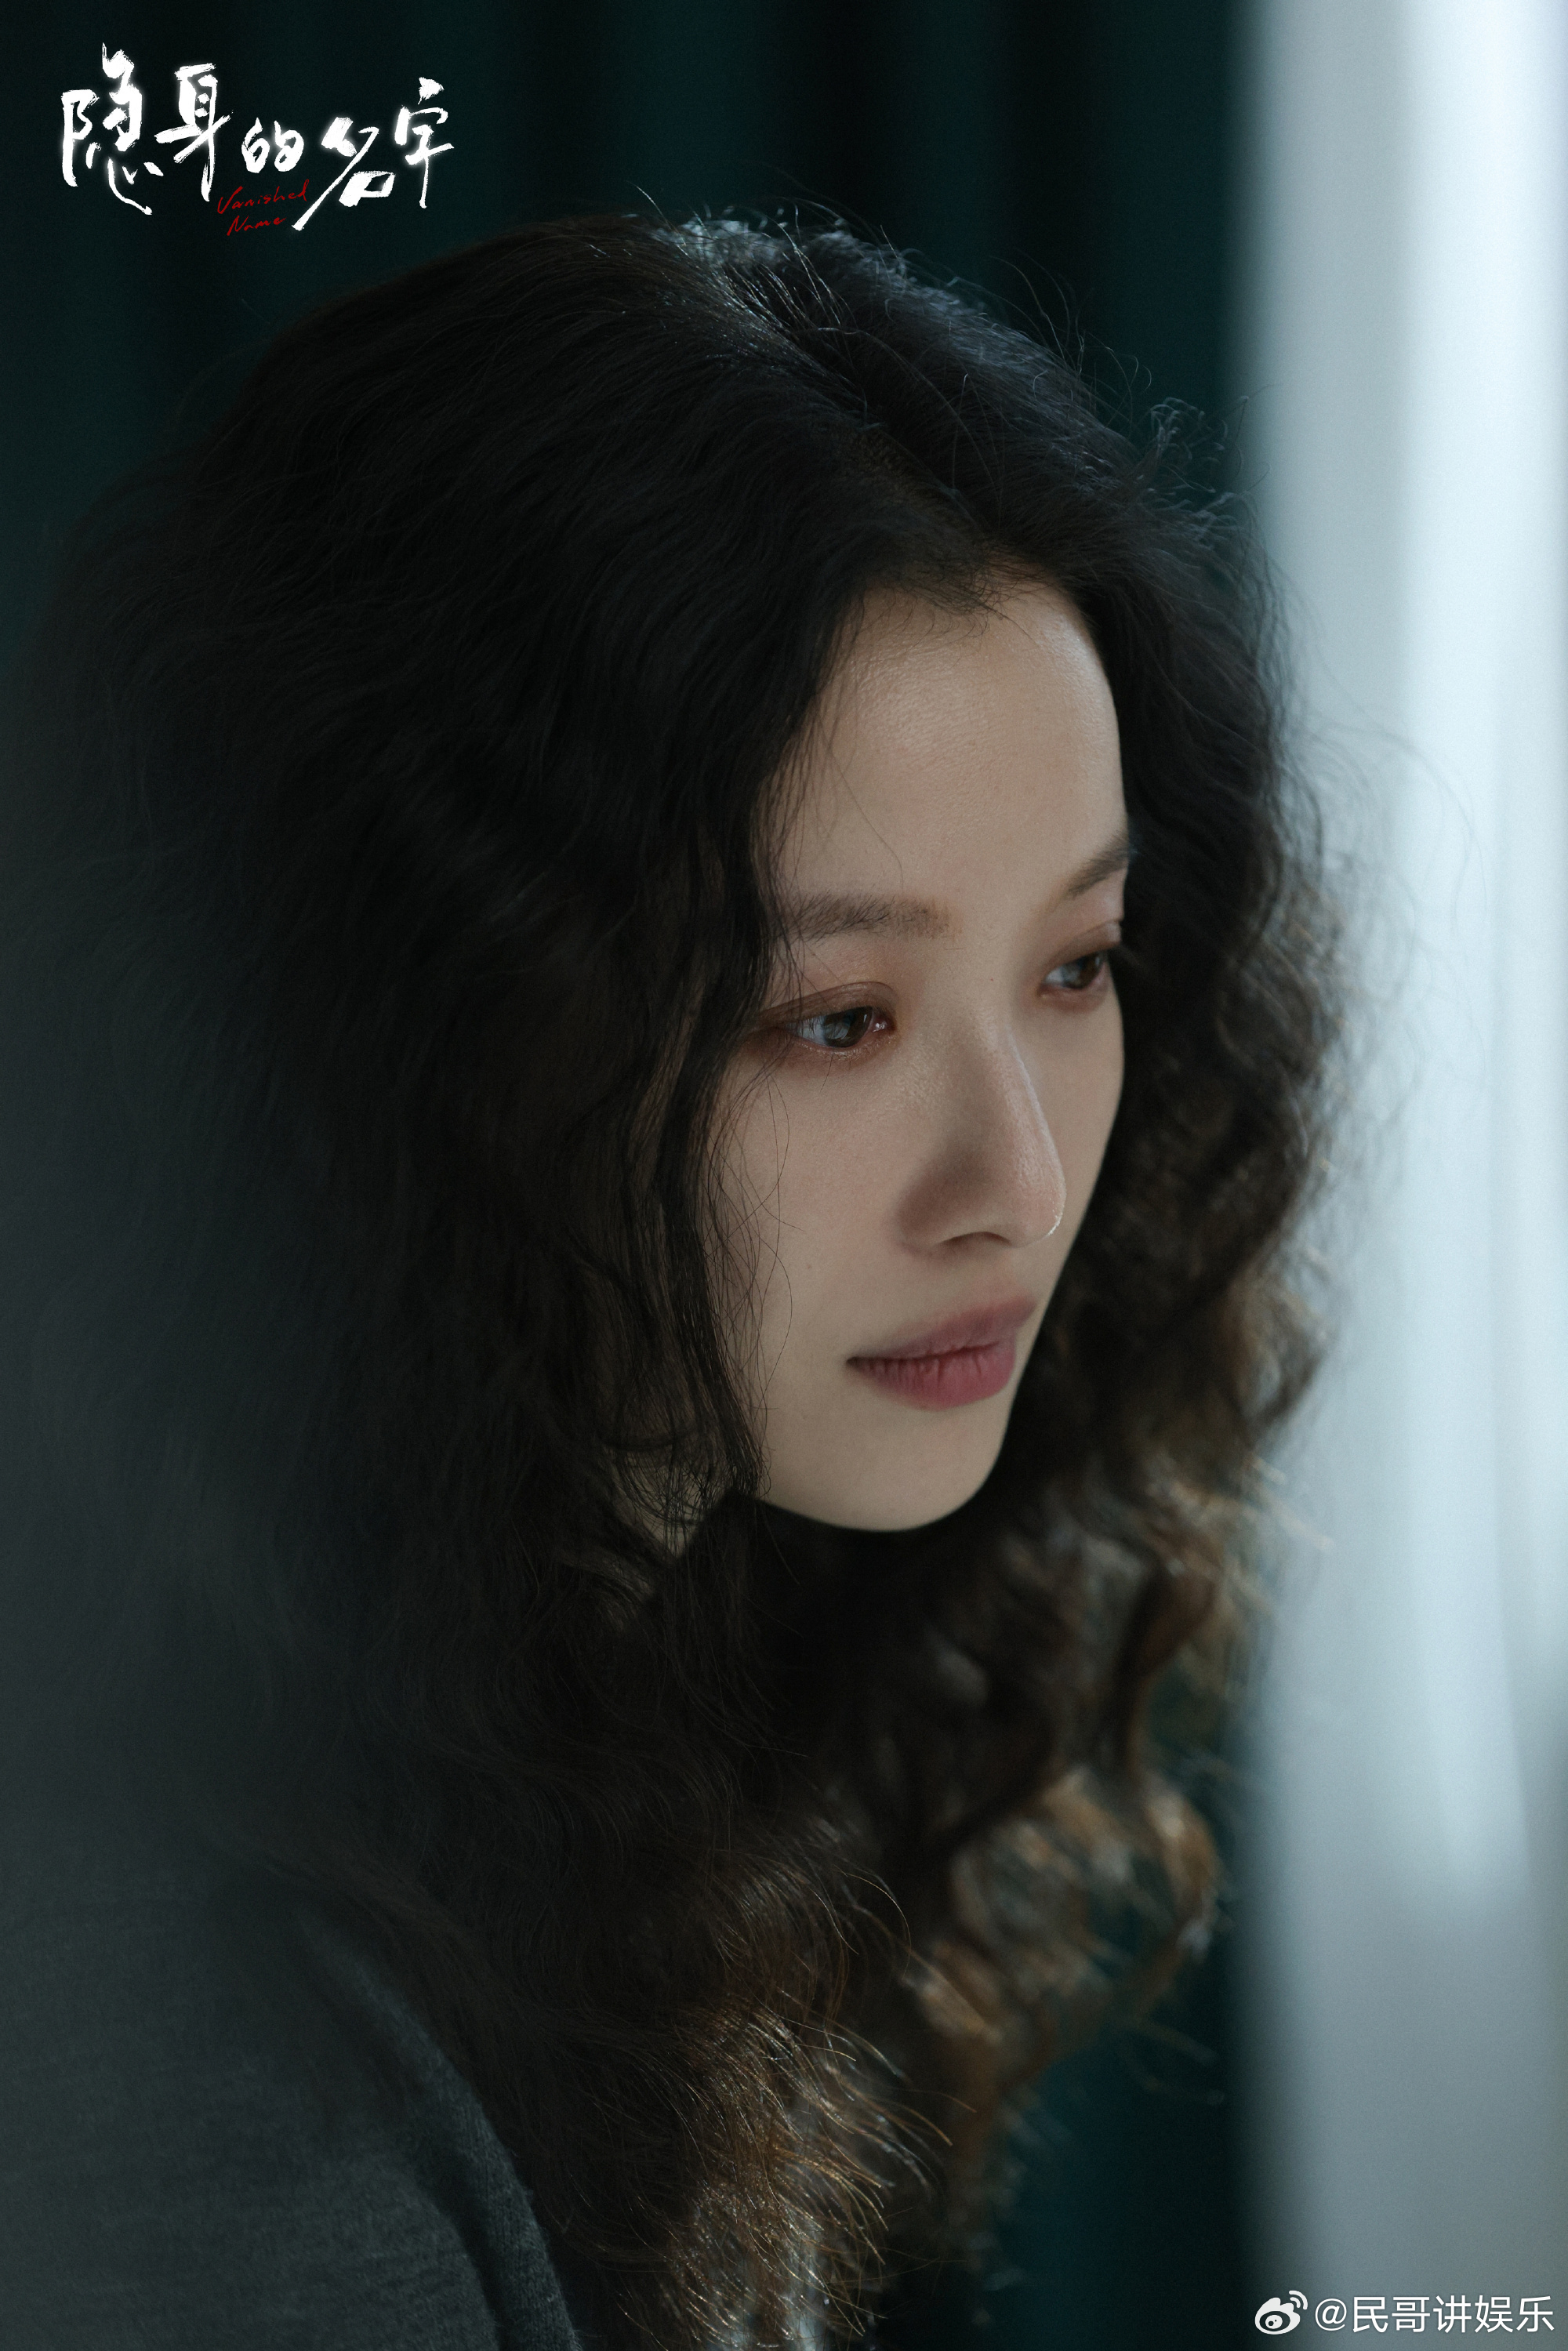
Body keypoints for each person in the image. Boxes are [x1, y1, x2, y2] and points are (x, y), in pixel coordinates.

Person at [0, 216, 1336, 2349]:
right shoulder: (200, 2066)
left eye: (1076, 967)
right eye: (832, 1017)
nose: (1018, 1182)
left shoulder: (610, 1727)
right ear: (410, 1022)